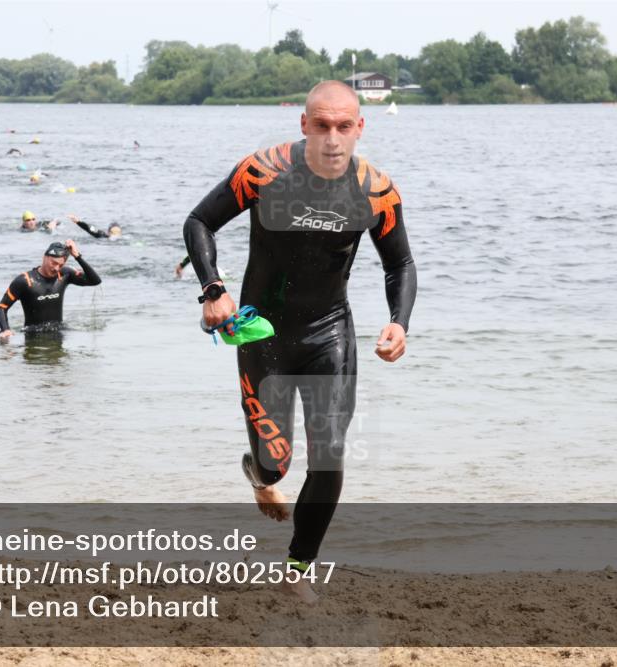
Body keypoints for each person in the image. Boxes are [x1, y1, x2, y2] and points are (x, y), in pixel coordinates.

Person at [183, 80, 416, 603]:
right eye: (322, 125)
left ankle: (298, 568)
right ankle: (258, 474)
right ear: (305, 125)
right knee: (276, 462)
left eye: (344, 127)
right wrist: (212, 288)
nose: (333, 138)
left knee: (330, 452)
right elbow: (200, 221)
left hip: (328, 330)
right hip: (261, 332)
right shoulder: (263, 171)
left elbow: (399, 262)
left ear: (360, 128)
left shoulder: (376, 189)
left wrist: (399, 321)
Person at [0, 240, 102, 338]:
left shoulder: (65, 274)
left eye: (60, 265)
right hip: (33, 336)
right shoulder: (25, 280)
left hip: (58, 333)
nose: (56, 268)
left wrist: (77, 256)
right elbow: (2, 307)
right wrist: (5, 330)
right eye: (54, 263)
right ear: (45, 258)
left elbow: (95, 280)